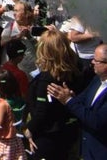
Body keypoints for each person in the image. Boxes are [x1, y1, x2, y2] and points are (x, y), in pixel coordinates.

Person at [46, 43, 107, 160]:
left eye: (96, 60)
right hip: (88, 152)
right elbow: (81, 101)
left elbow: (97, 121)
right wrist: (69, 97)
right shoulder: (97, 80)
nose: (92, 62)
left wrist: (69, 100)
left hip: (106, 155)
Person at [23, 28, 85, 160]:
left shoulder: (47, 79)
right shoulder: (75, 71)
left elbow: (42, 111)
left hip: (47, 135)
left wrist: (29, 129)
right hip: (70, 130)